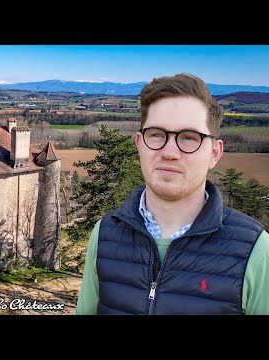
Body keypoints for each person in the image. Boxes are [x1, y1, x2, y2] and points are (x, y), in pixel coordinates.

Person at [75, 73, 269, 315]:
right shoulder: (105, 233)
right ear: (139, 144)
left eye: (189, 138)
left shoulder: (255, 249)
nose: (169, 152)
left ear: (214, 153)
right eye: (156, 134)